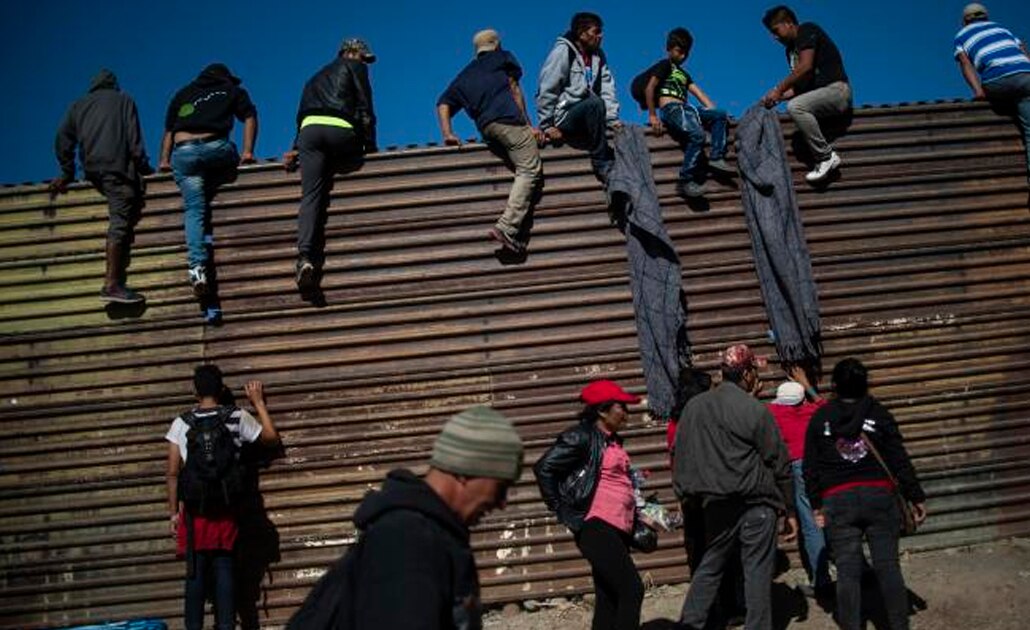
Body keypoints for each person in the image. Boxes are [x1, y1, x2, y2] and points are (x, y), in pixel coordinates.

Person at [286, 405, 524, 629]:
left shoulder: (429, 535)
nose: (501, 503)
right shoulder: (407, 542)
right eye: (501, 487)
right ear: (466, 471)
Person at [673, 344, 797, 630]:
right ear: (748, 374)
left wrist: (687, 495)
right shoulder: (754, 409)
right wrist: (789, 509)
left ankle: (689, 624)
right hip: (756, 505)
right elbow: (778, 461)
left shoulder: (695, 406)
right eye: (755, 370)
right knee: (756, 572)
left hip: (715, 506)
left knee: (710, 567)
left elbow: (682, 455)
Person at [803, 358, 927, 630]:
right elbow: (899, 459)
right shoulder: (879, 413)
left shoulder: (820, 418)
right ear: (865, 384)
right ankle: (898, 625)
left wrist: (816, 505)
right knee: (887, 566)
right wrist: (915, 496)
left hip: (837, 500)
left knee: (847, 573)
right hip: (879, 497)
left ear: (834, 385)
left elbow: (810, 467)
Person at [165, 365, 280, 630]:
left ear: (194, 390)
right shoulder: (237, 416)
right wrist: (259, 403)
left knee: (195, 574)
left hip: (194, 512)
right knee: (225, 568)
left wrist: (174, 513)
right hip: (226, 507)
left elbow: (172, 473)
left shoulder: (181, 423)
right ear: (222, 389)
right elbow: (271, 439)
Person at [535, 380, 645, 630]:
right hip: (596, 525)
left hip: (616, 526)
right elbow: (544, 468)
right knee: (632, 589)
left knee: (608, 596)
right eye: (622, 408)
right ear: (602, 410)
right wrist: (561, 509)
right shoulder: (581, 436)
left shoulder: (612, 440)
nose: (627, 413)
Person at [50, 69, 153, 304]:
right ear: (113, 85)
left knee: (119, 212)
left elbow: (62, 139)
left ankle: (112, 282)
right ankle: (112, 284)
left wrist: (67, 172)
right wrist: (145, 168)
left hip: (93, 170)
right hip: (116, 169)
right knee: (120, 222)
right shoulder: (123, 99)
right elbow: (134, 139)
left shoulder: (78, 105)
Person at [437, 29, 544, 253]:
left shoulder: (464, 76)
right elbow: (514, 88)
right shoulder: (503, 57)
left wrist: (448, 133)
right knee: (529, 169)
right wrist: (528, 124)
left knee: (514, 161)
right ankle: (507, 227)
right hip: (508, 121)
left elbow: (443, 103)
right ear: (496, 44)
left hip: (488, 128)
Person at [284, 38, 378, 294]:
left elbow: (302, 114)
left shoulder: (313, 78)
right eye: (363, 57)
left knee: (310, 196)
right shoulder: (354, 67)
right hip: (341, 130)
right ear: (352, 52)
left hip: (309, 132)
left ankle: (304, 257)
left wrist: (295, 148)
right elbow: (364, 106)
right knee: (348, 162)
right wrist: (370, 144)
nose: (364, 62)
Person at [159, 63, 258, 299]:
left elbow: (170, 131)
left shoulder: (182, 94)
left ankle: (196, 267)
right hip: (217, 148)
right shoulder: (231, 90)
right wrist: (247, 153)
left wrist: (164, 160)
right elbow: (250, 117)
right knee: (226, 159)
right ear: (225, 78)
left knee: (194, 210)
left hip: (183, 153)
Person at [635, 28, 734, 199]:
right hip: (671, 109)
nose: (682, 57)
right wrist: (652, 115)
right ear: (669, 49)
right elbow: (649, 88)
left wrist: (717, 112)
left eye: (686, 53)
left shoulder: (684, 74)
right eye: (679, 52)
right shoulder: (664, 65)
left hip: (688, 109)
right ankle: (685, 180)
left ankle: (716, 157)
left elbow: (700, 94)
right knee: (697, 135)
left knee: (720, 114)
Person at [760, 5, 851, 184]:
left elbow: (805, 66)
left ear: (789, 23)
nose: (774, 37)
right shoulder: (790, 52)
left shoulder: (807, 30)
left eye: (776, 31)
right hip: (818, 94)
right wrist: (776, 97)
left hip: (836, 90)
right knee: (795, 103)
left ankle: (825, 156)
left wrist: (778, 89)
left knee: (796, 106)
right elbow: (801, 85)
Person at [766, 367, 830, 599]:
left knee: (811, 523)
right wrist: (807, 384)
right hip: (822, 465)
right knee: (833, 517)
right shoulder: (813, 411)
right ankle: (860, 569)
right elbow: (826, 405)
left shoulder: (774, 412)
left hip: (798, 468)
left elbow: (749, 407)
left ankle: (822, 582)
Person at [537, 12, 621, 183]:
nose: (600, 36)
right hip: (565, 115)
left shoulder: (598, 56)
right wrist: (547, 125)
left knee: (596, 103)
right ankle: (601, 162)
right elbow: (547, 88)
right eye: (596, 32)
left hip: (588, 114)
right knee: (594, 103)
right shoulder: (563, 51)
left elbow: (607, 87)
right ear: (582, 33)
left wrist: (612, 118)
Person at [953, 3, 1030, 186]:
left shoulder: (961, 35)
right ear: (986, 16)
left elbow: (965, 63)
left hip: (997, 82)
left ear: (965, 21)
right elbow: (1023, 52)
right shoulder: (1002, 29)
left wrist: (978, 91)